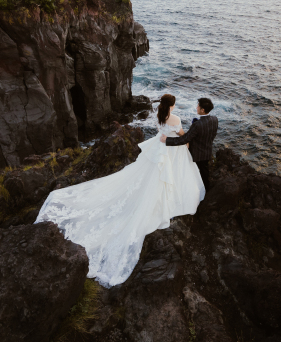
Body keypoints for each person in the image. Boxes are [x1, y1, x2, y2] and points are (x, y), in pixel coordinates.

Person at [35, 93, 205, 288]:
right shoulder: (174, 118)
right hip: (170, 150)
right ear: (172, 105)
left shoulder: (160, 115)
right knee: (165, 177)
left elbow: (163, 133)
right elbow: (182, 134)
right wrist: (187, 141)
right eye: (174, 104)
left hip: (159, 149)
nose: (175, 106)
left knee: (147, 176)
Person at [160, 97, 218, 190]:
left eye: (198, 106)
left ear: (202, 110)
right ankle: (207, 189)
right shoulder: (214, 119)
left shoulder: (197, 125)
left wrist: (167, 140)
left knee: (195, 173)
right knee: (205, 172)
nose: (196, 108)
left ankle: (200, 191)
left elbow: (184, 139)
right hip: (207, 151)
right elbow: (211, 134)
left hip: (197, 153)